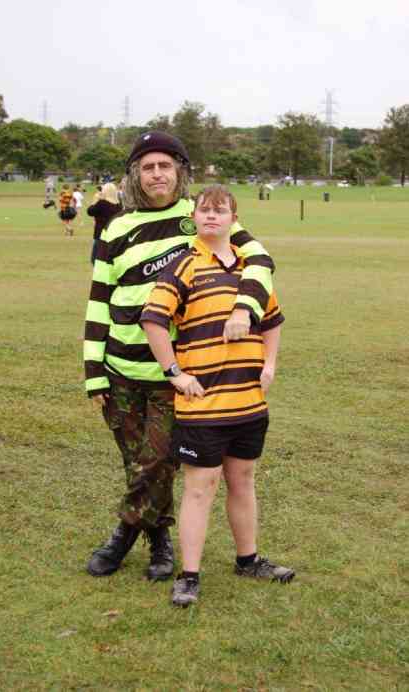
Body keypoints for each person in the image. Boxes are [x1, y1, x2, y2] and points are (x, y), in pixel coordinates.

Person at [83, 131, 277, 582]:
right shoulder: (116, 227)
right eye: (147, 167)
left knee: (157, 462)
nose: (157, 174)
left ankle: (123, 536)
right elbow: (97, 301)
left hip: (179, 374)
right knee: (139, 465)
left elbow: (261, 260)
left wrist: (246, 307)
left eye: (165, 166)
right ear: (136, 175)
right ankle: (160, 542)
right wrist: (94, 370)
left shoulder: (200, 217)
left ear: (179, 172)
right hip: (120, 370)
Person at [141, 185, 295, 607]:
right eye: (204, 210)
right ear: (194, 217)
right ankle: (189, 576)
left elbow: (273, 318)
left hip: (248, 402)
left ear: (233, 218)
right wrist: (174, 373)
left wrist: (270, 363)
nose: (211, 217)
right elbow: (153, 321)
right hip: (202, 406)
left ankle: (249, 560)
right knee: (200, 487)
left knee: (242, 481)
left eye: (220, 210)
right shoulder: (183, 265)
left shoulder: (253, 268)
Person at [87, 182, 122, 264]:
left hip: (101, 235)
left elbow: (90, 211)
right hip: (114, 235)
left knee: (95, 259)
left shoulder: (102, 203)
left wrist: (95, 200)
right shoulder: (119, 205)